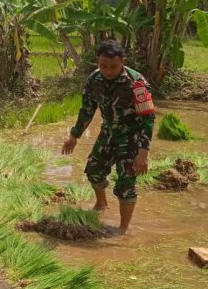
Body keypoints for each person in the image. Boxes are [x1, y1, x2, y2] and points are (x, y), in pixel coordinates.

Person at [61, 39, 155, 234]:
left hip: (132, 136)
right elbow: (87, 110)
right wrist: (73, 135)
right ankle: (101, 204)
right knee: (93, 170)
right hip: (108, 132)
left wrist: (143, 153)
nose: (109, 71)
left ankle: (123, 229)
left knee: (126, 183)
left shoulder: (136, 83)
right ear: (98, 63)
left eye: (113, 66)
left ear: (123, 61)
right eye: (104, 66)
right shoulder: (94, 80)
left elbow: (148, 119)